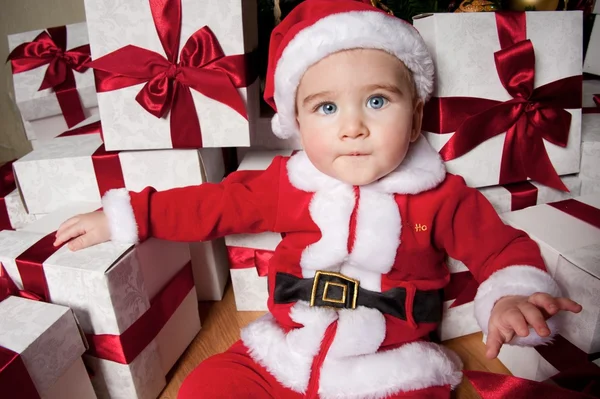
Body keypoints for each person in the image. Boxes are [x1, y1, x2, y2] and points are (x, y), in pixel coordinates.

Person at [54, 1, 582, 397]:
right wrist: (128, 215)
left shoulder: (441, 197)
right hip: (284, 353)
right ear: (297, 124)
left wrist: (513, 295)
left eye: (377, 101)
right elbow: (210, 205)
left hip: (392, 368)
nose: (353, 126)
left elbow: (501, 250)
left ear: (417, 116)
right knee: (209, 386)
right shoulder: (290, 182)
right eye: (326, 108)